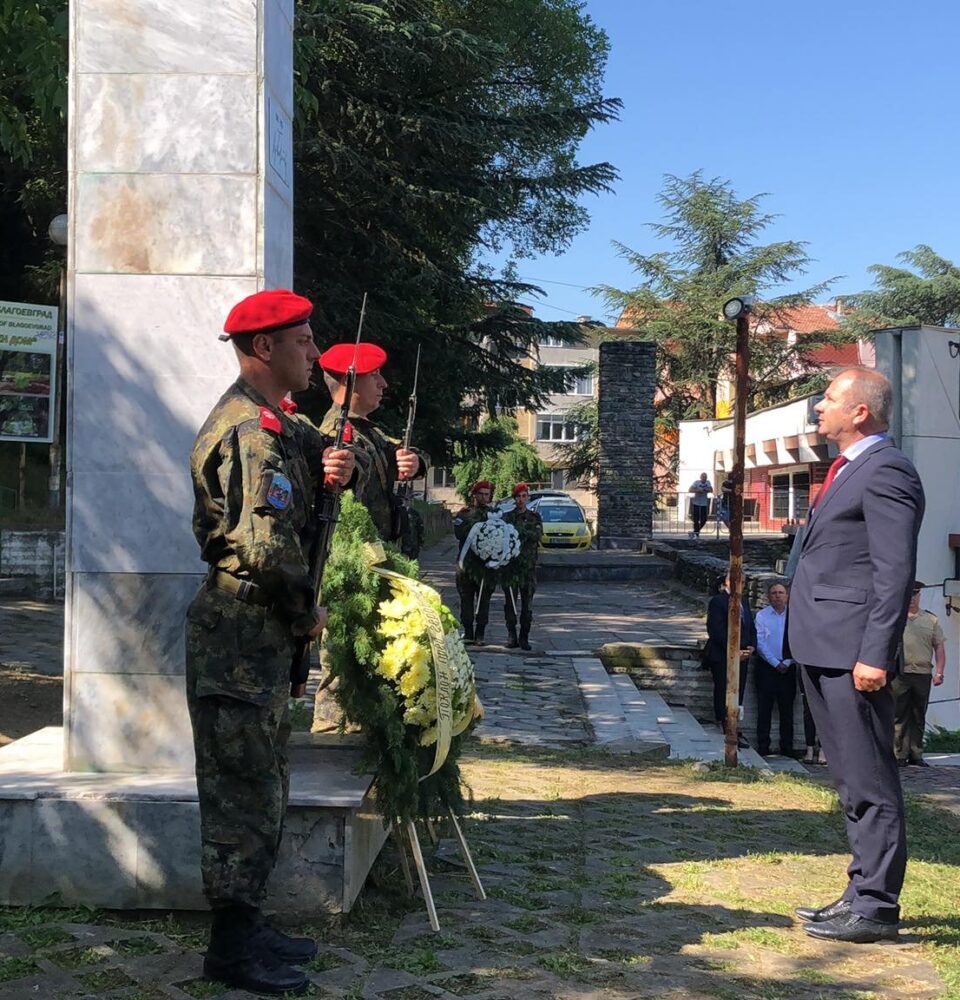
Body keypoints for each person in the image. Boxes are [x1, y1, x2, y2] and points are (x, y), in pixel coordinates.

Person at [186, 289, 359, 995]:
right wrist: (304, 610)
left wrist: (336, 465)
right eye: (303, 341)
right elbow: (263, 547)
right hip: (243, 626)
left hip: (256, 630)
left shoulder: (276, 425)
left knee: (262, 785)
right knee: (239, 794)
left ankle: (247, 923)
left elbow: (318, 462)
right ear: (265, 348)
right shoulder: (249, 432)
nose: (315, 354)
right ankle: (229, 949)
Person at [787, 367, 924, 944]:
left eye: (831, 398)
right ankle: (858, 891)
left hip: (852, 652)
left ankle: (876, 906)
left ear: (861, 411)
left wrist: (875, 653)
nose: (820, 406)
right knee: (848, 778)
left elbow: (895, 574)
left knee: (870, 777)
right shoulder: (848, 469)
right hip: (822, 644)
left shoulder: (888, 469)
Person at [316, 341, 427, 544]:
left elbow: (404, 451)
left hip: (377, 545)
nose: (383, 383)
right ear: (348, 381)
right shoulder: (336, 432)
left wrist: (415, 462)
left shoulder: (369, 431)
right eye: (374, 374)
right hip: (355, 550)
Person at [891, 582, 945, 767]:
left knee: (918, 714)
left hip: (922, 672)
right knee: (899, 715)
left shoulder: (931, 620)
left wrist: (939, 672)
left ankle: (916, 754)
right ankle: (899, 754)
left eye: (916, 594)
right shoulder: (896, 618)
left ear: (919, 596)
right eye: (910, 594)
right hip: (901, 672)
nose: (913, 598)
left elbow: (939, 647)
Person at [702, 573, 756, 746]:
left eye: (741, 582)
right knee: (723, 688)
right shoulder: (718, 601)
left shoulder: (744, 602)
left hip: (743, 655)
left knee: (738, 689)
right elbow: (716, 630)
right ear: (727, 582)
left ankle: (734, 722)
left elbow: (750, 627)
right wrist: (733, 650)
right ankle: (723, 722)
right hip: (723, 655)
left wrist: (751, 647)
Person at [753, 582, 796, 757]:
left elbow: (798, 639)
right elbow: (760, 642)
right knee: (764, 708)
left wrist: (787, 661)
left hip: (789, 667)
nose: (777, 595)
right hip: (767, 668)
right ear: (769, 596)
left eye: (781, 592)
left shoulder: (795, 617)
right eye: (774, 593)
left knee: (787, 710)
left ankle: (787, 747)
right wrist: (774, 662)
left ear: (787, 596)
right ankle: (763, 745)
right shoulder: (762, 616)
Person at [503, 482, 543, 650]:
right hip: (511, 568)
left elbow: (537, 535)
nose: (521, 500)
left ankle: (524, 637)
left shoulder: (535, 517)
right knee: (510, 604)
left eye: (524, 496)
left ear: (528, 497)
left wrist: (521, 531)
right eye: (518, 497)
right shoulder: (507, 517)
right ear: (514, 498)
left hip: (528, 569)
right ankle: (512, 636)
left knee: (527, 606)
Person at [454, 481, 493, 642]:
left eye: (487, 494)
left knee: (484, 600)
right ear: (475, 495)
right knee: (466, 599)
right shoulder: (464, 514)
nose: (484, 497)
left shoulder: (494, 515)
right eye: (481, 494)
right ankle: (468, 631)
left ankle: (480, 633)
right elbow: (458, 533)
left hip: (485, 566)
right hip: (467, 565)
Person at [688, 473, 712, 538]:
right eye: (703, 477)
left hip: (704, 504)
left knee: (704, 519)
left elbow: (711, 489)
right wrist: (697, 490)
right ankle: (696, 533)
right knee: (696, 519)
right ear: (700, 477)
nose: (704, 478)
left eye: (705, 477)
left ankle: (696, 531)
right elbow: (690, 490)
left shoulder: (708, 482)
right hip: (696, 503)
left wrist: (704, 490)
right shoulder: (696, 482)